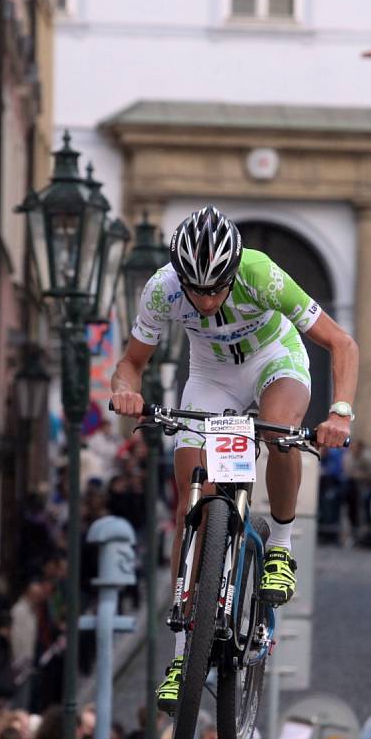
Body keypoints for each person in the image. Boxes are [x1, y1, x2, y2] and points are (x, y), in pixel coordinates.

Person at [110, 206, 357, 714]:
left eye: (214, 289)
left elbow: (341, 342)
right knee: (190, 501)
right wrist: (124, 392)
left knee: (280, 433)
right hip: (211, 377)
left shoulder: (262, 274)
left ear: (232, 270)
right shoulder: (161, 289)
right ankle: (183, 653)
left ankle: (280, 548)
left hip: (275, 360)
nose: (203, 300)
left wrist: (340, 413)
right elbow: (132, 363)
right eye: (194, 290)